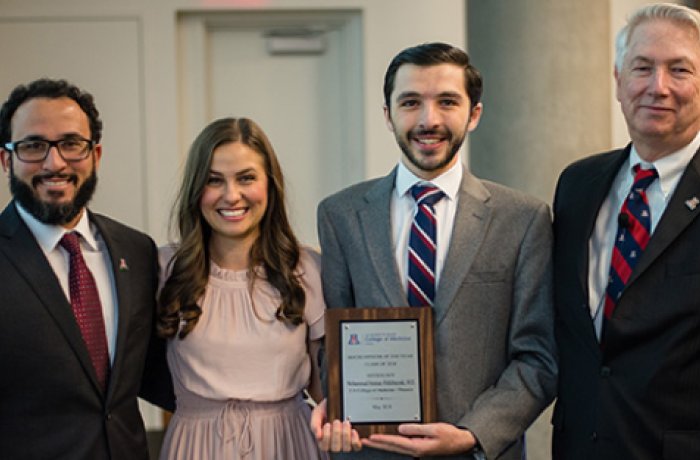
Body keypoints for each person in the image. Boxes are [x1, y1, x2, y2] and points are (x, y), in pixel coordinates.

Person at [310, 42, 557, 460]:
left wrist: (472, 433)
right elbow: (330, 344)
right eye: (410, 102)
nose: (429, 120)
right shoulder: (341, 215)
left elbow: (538, 356)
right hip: (372, 451)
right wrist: (337, 403)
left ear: (473, 114)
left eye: (447, 102)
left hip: (478, 453)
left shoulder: (523, 219)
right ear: (388, 115)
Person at [552, 3, 700, 459]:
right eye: (642, 67)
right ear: (618, 80)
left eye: (679, 69)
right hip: (579, 446)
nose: (658, 87)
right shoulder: (577, 185)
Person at [0, 78, 172, 459]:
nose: (54, 162)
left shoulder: (137, 251)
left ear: (96, 154)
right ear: (6, 159)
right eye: (33, 146)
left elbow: (159, 375)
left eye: (71, 144)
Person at [157, 117, 328, 459]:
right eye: (214, 180)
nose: (231, 195)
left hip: (288, 443)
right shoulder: (164, 269)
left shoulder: (307, 268)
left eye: (246, 178)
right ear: (196, 189)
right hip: (196, 445)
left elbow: (325, 384)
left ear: (270, 185)